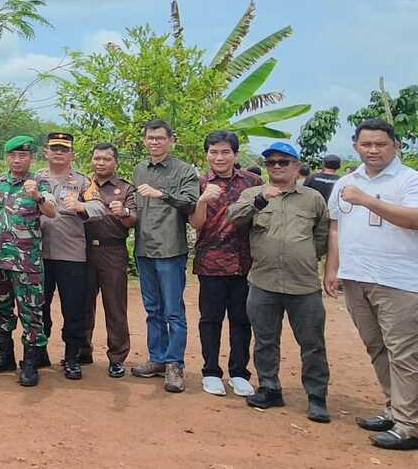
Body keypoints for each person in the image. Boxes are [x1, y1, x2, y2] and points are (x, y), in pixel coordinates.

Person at [323, 119, 418, 451]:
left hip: (399, 281)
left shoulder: (409, 180)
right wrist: (332, 268)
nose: (373, 150)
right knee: (376, 347)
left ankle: (410, 425)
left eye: (381, 144)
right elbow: (336, 227)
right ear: (356, 147)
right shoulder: (346, 182)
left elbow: (414, 219)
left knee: (404, 353)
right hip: (356, 277)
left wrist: (367, 200)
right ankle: (395, 409)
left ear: (396, 146)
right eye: (366, 144)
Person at [228, 141, 331, 423]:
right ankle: (269, 388)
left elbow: (322, 236)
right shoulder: (253, 194)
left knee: (312, 343)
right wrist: (261, 200)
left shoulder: (312, 198)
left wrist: (304, 256)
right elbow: (233, 217)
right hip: (264, 281)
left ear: (296, 166)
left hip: (303, 284)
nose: (276, 167)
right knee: (265, 340)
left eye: (283, 162)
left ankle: (317, 397)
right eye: (271, 162)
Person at [188, 130, 261, 398]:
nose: (219, 157)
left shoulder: (252, 182)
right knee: (210, 319)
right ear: (206, 154)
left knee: (242, 320)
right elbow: (196, 224)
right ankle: (210, 371)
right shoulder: (199, 183)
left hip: (245, 262)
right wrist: (202, 200)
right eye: (214, 152)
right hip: (211, 262)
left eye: (225, 152)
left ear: (235, 154)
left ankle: (239, 373)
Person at [0, 135, 56, 386]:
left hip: (27, 264)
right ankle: (5, 356)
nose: (17, 160)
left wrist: (37, 196)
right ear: (7, 157)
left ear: (31, 157)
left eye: (22, 155)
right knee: (1, 309)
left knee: (31, 313)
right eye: (13, 155)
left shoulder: (39, 183)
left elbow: (52, 212)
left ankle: (31, 362)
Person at [130, 118, 198, 393]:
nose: (155, 142)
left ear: (171, 140)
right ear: (144, 141)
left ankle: (174, 364)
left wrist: (162, 194)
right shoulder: (139, 169)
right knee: (152, 309)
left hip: (170, 250)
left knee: (173, 311)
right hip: (144, 249)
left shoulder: (184, 170)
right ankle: (157, 358)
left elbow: (190, 203)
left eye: (160, 137)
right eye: (150, 137)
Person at [36, 132, 91, 380]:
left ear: (72, 154)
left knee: (73, 308)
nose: (59, 153)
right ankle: (39, 351)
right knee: (39, 306)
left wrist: (82, 206)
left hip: (71, 254)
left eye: (64, 149)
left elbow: (98, 206)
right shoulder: (35, 179)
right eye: (54, 148)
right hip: (39, 254)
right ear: (46, 152)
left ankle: (72, 357)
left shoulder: (82, 182)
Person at [80, 142, 136, 379]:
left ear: (115, 162)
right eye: (97, 158)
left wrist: (123, 213)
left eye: (106, 159)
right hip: (83, 251)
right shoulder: (83, 185)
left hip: (113, 251)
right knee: (82, 304)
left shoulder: (125, 188)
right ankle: (82, 351)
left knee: (115, 306)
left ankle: (117, 357)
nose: (100, 163)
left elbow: (134, 219)